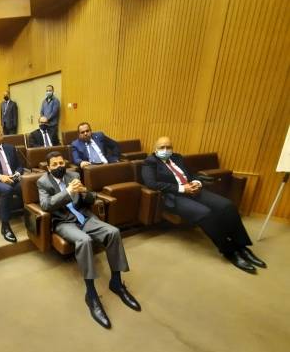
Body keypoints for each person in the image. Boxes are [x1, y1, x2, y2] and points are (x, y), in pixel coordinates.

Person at [37, 151, 140, 328]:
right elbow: (46, 205)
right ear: (48, 167)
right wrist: (68, 192)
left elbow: (90, 199)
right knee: (84, 241)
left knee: (113, 232)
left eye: (61, 163)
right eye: (54, 164)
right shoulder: (43, 182)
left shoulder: (74, 175)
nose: (59, 166)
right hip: (63, 222)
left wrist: (84, 191)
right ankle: (91, 294)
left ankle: (116, 282)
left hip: (84, 217)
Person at [141, 136, 267, 274]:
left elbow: (190, 174)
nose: (165, 150)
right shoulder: (150, 162)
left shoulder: (177, 157)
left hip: (193, 189)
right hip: (174, 196)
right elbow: (151, 183)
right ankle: (230, 251)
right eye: (162, 147)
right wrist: (182, 188)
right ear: (155, 148)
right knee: (205, 213)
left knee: (227, 206)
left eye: (168, 147)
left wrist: (197, 182)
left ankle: (242, 247)